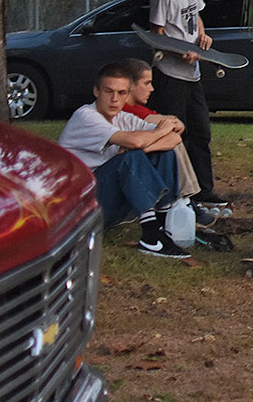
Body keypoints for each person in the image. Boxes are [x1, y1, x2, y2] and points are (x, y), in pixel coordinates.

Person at [58, 63, 190, 258]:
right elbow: (135, 140)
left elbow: (175, 138)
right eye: (108, 91)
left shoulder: (123, 118)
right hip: (79, 208)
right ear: (96, 91)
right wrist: (155, 134)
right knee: (130, 158)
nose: (114, 99)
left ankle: (162, 227)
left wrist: (146, 145)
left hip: (107, 200)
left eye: (121, 93)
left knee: (163, 153)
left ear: (128, 95)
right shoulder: (85, 116)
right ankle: (151, 237)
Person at [147, 0, 224, 213]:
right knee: (176, 134)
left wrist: (202, 37)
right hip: (170, 75)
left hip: (193, 73)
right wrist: (180, 52)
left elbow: (196, 16)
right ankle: (177, 190)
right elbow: (157, 37)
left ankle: (205, 189)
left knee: (201, 130)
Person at [119, 57, 207, 217]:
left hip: (135, 161)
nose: (152, 89)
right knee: (168, 143)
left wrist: (147, 146)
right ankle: (182, 200)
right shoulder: (125, 111)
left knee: (170, 141)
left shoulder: (136, 109)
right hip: (121, 175)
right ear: (129, 85)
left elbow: (176, 126)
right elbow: (172, 125)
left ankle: (183, 200)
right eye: (146, 83)